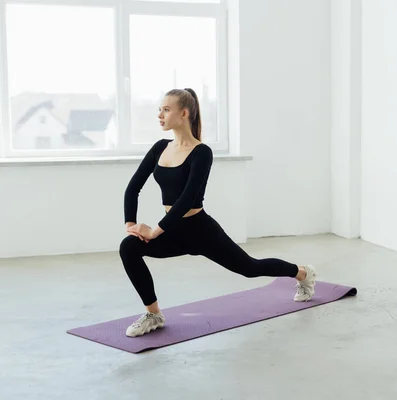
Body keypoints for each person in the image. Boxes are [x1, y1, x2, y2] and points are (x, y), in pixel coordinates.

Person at [120, 88, 316, 338]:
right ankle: (154, 314)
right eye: (159, 109)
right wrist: (131, 225)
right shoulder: (160, 147)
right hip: (172, 231)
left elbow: (187, 199)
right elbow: (133, 187)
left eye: (166, 110)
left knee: (249, 268)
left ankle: (302, 272)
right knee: (129, 247)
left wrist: (155, 231)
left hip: (200, 230)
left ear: (183, 113)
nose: (160, 115)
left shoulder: (202, 153)